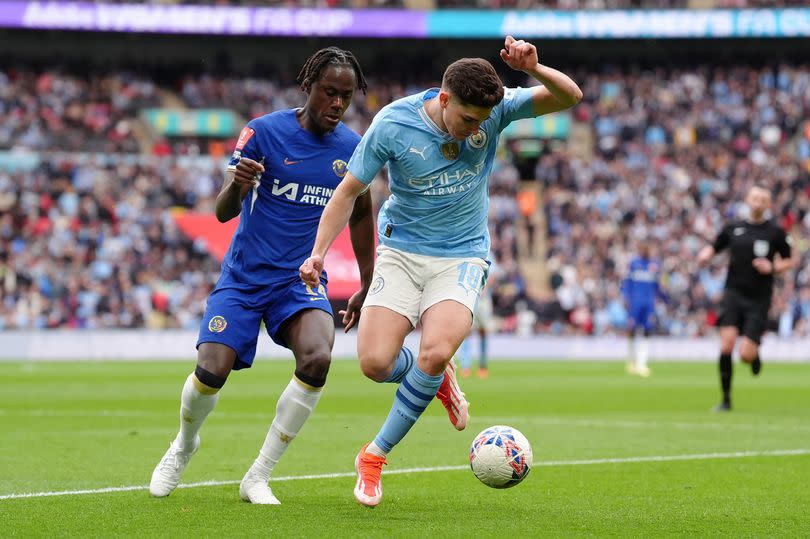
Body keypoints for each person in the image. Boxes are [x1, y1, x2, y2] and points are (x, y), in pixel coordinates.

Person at [300, 36, 582, 507]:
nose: (474, 127)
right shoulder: (392, 123)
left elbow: (570, 96)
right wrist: (318, 254)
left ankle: (374, 456)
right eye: (467, 118)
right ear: (445, 98)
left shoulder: (495, 110)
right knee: (374, 364)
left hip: (461, 255)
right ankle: (438, 381)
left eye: (481, 120)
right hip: (402, 252)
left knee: (435, 350)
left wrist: (534, 68)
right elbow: (349, 191)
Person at [149, 47, 375, 504]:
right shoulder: (263, 132)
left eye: (345, 97)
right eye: (329, 92)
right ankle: (184, 443)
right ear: (309, 86)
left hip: (301, 281)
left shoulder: (353, 149)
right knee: (210, 373)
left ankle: (258, 475)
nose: (336, 104)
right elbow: (221, 213)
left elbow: (361, 215)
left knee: (318, 358)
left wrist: (367, 283)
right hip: (245, 278)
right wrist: (238, 183)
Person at [697, 185, 795, 412]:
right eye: (755, 198)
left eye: (763, 199)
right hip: (733, 293)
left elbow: (789, 260)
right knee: (726, 344)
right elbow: (716, 245)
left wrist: (772, 267)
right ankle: (726, 399)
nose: (759, 202)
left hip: (758, 298)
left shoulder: (775, 232)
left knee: (745, 355)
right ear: (748, 200)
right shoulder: (734, 227)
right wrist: (706, 254)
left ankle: (755, 354)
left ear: (768, 204)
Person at [621, 242, 667, 377]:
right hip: (635, 303)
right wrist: (626, 298)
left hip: (649, 304)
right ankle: (631, 360)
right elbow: (626, 283)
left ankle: (642, 363)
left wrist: (664, 297)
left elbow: (659, 286)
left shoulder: (655, 265)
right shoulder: (634, 264)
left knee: (647, 330)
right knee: (632, 329)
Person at [459, 278, 492, 379]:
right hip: (470, 297)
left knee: (483, 333)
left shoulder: (491, 262)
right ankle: (465, 367)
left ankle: (482, 366)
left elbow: (491, 279)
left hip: (483, 300)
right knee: (466, 332)